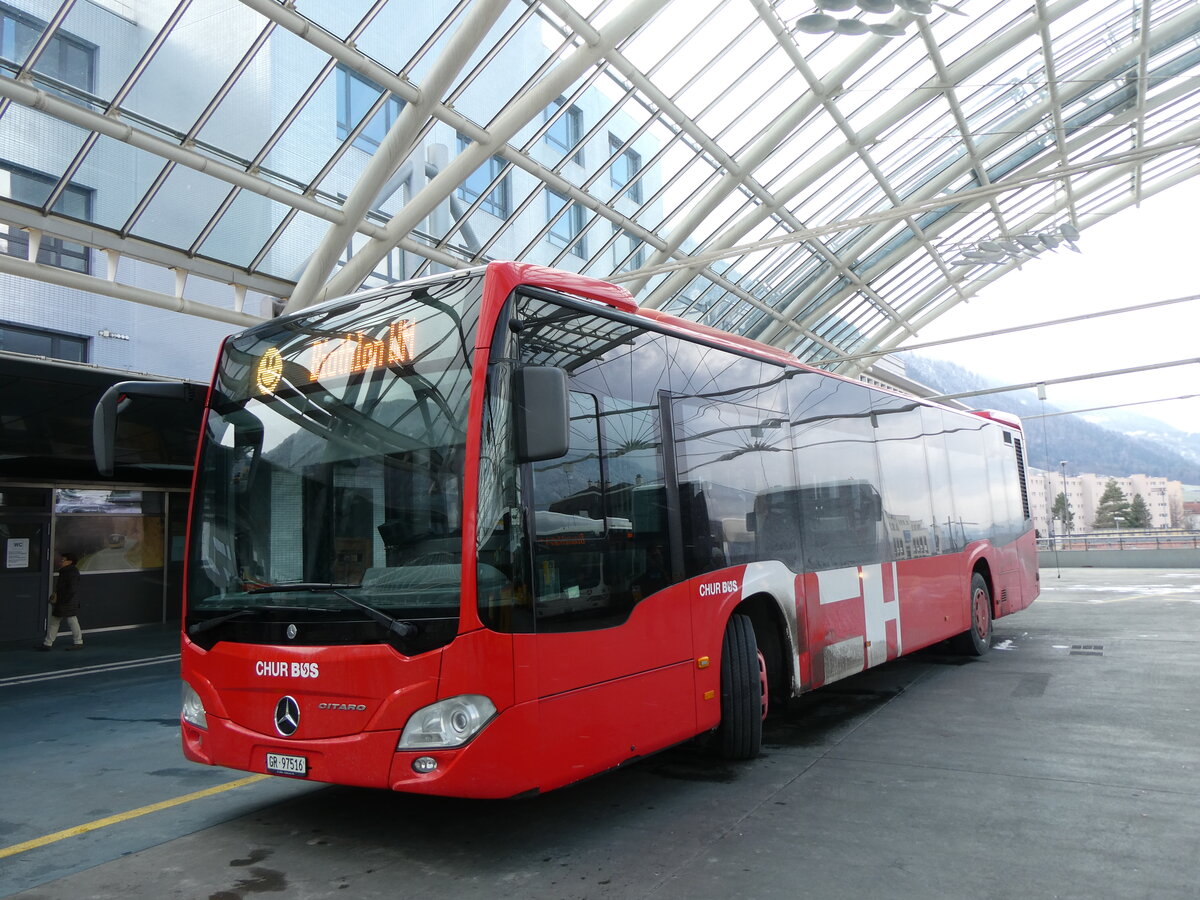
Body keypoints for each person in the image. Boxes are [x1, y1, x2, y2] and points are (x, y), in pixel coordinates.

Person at [37, 552, 83, 651]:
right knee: (69, 621)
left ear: (69, 562)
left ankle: (48, 643)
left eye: (63, 560)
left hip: (66, 601)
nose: (60, 562)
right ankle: (77, 642)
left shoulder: (69, 573)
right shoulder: (68, 571)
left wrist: (63, 599)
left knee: (65, 621)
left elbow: (71, 589)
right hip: (67, 601)